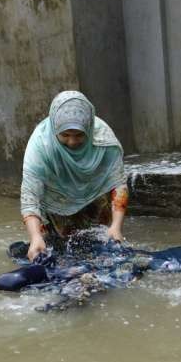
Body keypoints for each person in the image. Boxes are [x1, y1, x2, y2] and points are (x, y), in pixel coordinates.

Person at [20, 91, 129, 262]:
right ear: (55, 129)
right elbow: (30, 196)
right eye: (65, 135)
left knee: (98, 245)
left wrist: (116, 227)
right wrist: (35, 237)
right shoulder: (40, 146)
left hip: (94, 195)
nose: (72, 142)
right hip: (57, 201)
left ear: (89, 128)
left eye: (79, 135)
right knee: (63, 249)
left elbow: (118, 183)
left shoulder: (103, 139)